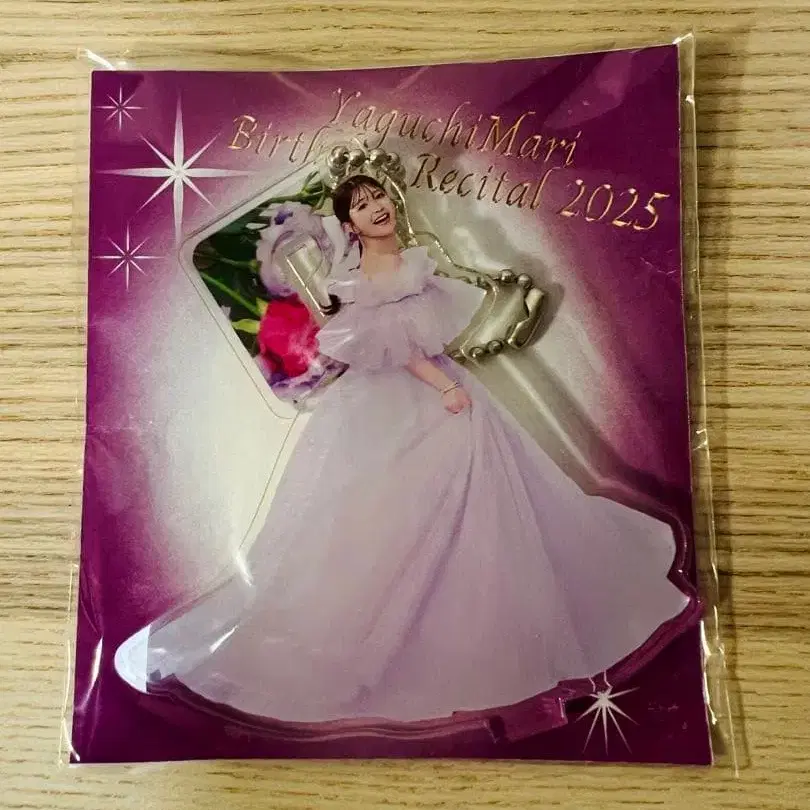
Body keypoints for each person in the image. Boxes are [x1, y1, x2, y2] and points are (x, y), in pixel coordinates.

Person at [115, 175, 692, 727]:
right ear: (350, 224)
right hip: (404, 397)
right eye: (362, 205)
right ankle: (376, 634)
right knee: (405, 504)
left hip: (430, 387)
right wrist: (445, 387)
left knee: (469, 487)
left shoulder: (407, 261)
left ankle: (463, 610)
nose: (378, 207)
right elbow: (401, 347)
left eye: (379, 197)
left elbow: (426, 331)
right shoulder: (370, 275)